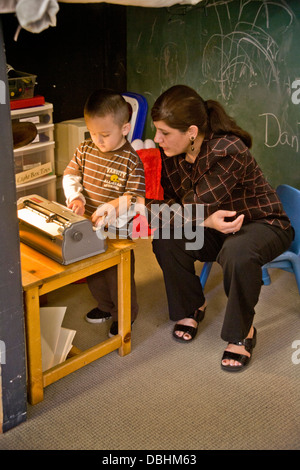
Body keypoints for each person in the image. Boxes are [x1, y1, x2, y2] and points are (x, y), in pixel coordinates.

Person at [145, 84, 294, 372]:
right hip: (214, 224)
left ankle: (242, 332)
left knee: (237, 252)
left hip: (261, 223)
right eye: (157, 130)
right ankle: (190, 307)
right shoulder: (168, 153)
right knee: (165, 237)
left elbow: (189, 209)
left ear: (191, 131)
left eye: (164, 132)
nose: (156, 138)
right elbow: (170, 207)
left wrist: (144, 207)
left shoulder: (228, 150)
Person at [63, 89, 145, 336]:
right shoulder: (85, 149)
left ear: (125, 129)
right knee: (94, 271)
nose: (98, 139)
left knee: (116, 275)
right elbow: (70, 175)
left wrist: (111, 212)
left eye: (105, 134)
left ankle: (125, 314)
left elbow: (133, 198)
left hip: (117, 230)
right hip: (88, 226)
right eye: (93, 133)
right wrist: (75, 196)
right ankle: (105, 307)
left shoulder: (131, 160)